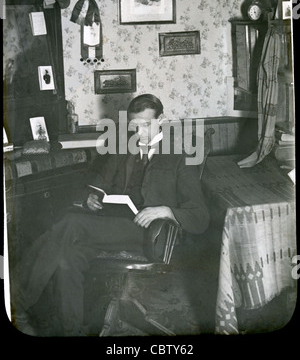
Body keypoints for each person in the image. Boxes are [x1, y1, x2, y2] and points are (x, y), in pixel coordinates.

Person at [12, 94, 209, 336]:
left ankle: (16, 304)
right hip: (108, 226)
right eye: (135, 126)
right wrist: (92, 197)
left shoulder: (179, 158)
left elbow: (200, 217)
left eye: (147, 125)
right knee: (67, 258)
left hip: (148, 233)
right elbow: (98, 184)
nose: (141, 132)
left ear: (161, 120)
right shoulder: (123, 149)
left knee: (71, 223)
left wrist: (165, 210)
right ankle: (71, 332)